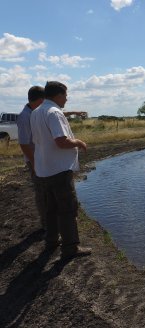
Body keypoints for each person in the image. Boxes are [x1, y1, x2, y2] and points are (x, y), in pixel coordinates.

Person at [30, 81, 91, 260]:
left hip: (43, 169)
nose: (66, 98)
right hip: (59, 170)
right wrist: (79, 142)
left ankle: (51, 241)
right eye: (65, 95)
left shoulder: (36, 112)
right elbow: (61, 141)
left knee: (50, 209)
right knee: (67, 209)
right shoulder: (54, 113)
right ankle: (71, 247)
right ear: (57, 95)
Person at [17, 86, 46, 230]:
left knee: (45, 190)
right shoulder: (25, 116)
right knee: (41, 192)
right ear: (41, 100)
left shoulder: (34, 112)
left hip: (39, 159)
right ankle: (45, 224)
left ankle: (48, 222)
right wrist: (35, 163)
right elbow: (23, 144)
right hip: (35, 160)